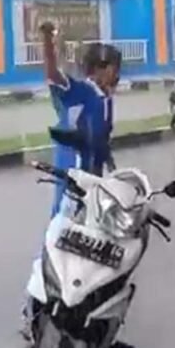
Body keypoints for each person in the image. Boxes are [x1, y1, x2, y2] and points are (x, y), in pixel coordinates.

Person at [40, 22, 122, 215]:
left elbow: (103, 138)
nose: (117, 74)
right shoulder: (79, 90)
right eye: (114, 69)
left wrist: (113, 171)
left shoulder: (106, 99)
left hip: (93, 172)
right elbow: (52, 73)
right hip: (72, 168)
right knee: (64, 219)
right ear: (100, 69)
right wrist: (47, 40)